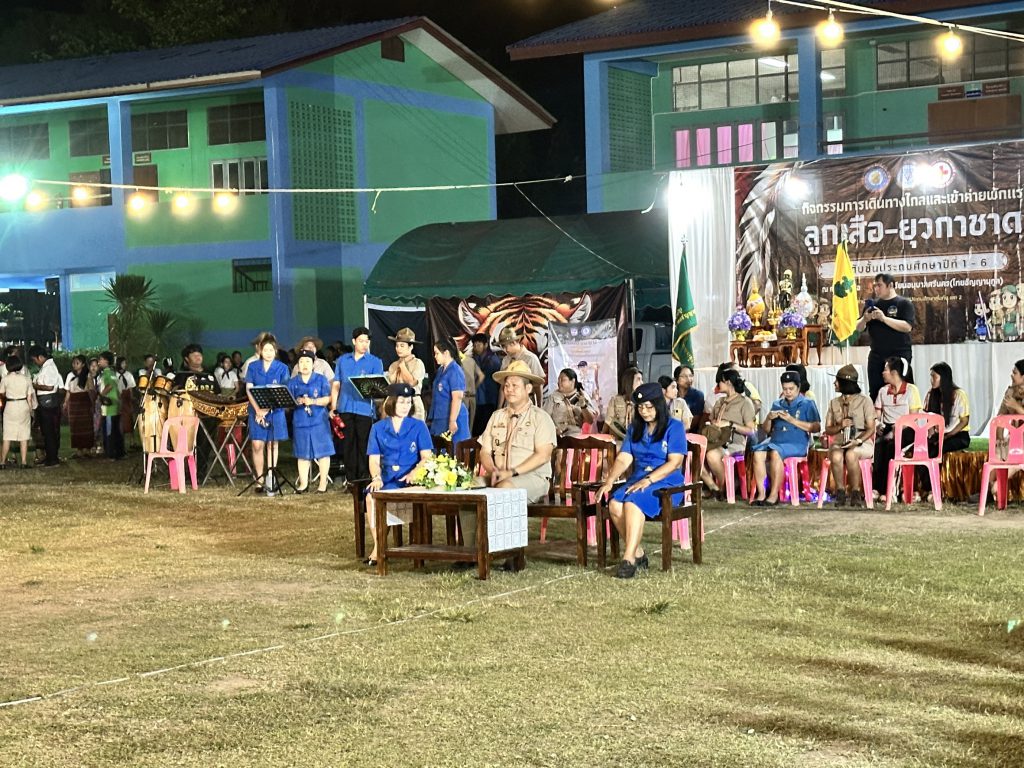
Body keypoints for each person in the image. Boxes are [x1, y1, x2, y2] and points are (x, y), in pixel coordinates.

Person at [596, 382, 687, 579]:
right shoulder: (635, 428)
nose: (644, 412)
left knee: (632, 502)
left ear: (659, 405)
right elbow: (624, 458)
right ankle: (638, 553)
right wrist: (609, 480)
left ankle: (628, 559)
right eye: (640, 407)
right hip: (638, 480)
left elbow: (675, 462)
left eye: (649, 407)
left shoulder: (674, 427)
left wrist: (649, 480)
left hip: (667, 483)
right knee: (614, 504)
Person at [477, 361, 558, 551]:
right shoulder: (496, 416)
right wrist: (493, 470)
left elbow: (543, 455)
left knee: (504, 489)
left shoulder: (540, 417)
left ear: (528, 389)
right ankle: (473, 551)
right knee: (470, 490)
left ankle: (508, 552)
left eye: (515, 385)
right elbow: (484, 451)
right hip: (499, 475)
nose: (509, 389)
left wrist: (511, 473)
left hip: (533, 478)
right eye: (506, 385)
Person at [364, 382, 434, 565]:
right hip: (388, 479)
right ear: (391, 402)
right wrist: (376, 477)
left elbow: (427, 457)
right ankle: (380, 545)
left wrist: (415, 472)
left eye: (408, 402)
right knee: (371, 497)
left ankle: (378, 551)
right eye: (401, 402)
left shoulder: (418, 426)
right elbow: (374, 459)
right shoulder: (378, 428)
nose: (405, 406)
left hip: (411, 479)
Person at [751, 371, 821, 506]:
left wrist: (791, 420)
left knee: (775, 452)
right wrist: (769, 418)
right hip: (775, 440)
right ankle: (761, 494)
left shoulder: (807, 403)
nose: (788, 392)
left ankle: (773, 495)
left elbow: (816, 427)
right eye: (785, 389)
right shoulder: (777, 404)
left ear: (798, 388)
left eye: (791, 389)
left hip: (796, 442)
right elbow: (766, 430)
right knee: (758, 453)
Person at [331, 326, 384, 483]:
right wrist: (333, 406)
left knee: (364, 443)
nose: (364, 344)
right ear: (354, 341)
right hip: (345, 406)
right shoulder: (342, 361)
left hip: (364, 409)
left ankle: (364, 477)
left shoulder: (375, 362)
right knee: (348, 444)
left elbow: (379, 387)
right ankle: (350, 479)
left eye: (367, 341)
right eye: (361, 341)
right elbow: (336, 384)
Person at [915, 362, 970, 503]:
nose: (931, 380)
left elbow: (964, 421)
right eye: (931, 376)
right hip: (939, 435)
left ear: (944, 378)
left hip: (957, 435)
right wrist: (931, 434)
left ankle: (934, 489)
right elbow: (928, 418)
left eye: (934, 377)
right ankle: (925, 488)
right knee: (921, 449)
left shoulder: (959, 395)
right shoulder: (931, 395)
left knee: (937, 450)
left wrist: (948, 435)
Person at [822, 365, 876, 507]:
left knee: (851, 454)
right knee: (836, 455)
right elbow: (828, 429)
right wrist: (840, 426)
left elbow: (871, 428)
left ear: (845, 383)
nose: (835, 383)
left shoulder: (865, 401)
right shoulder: (834, 403)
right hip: (840, 441)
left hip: (862, 441)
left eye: (837, 381)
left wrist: (858, 441)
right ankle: (840, 492)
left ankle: (855, 492)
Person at [856, 272, 916, 401]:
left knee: (901, 391)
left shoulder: (904, 303)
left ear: (890, 285)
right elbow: (859, 328)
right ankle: (877, 413)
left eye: (879, 285)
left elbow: (907, 326)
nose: (876, 289)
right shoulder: (872, 305)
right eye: (875, 286)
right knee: (875, 392)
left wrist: (884, 319)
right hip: (877, 355)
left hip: (899, 354)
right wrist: (865, 319)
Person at [872, 356, 923, 501]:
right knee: (878, 446)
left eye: (885, 370)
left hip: (908, 429)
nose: (882, 373)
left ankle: (890, 491)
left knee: (892, 447)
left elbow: (914, 417)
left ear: (894, 373)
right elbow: (876, 415)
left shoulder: (911, 390)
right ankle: (878, 488)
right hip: (888, 428)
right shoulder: (883, 391)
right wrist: (877, 424)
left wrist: (899, 427)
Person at [700, 368, 756, 494]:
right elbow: (711, 420)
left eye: (720, 382)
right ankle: (713, 486)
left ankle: (724, 487)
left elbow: (751, 431)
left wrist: (730, 424)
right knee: (694, 454)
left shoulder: (744, 402)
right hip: (716, 440)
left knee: (712, 455)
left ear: (728, 382)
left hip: (733, 443)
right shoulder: (720, 401)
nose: (718, 385)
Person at [245, 334, 290, 494]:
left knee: (272, 444)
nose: (269, 353)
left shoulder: (282, 368)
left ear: (275, 351)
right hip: (256, 411)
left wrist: (266, 409)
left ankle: (271, 477)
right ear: (260, 350)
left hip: (275, 411)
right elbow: (249, 389)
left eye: (271, 350)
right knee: (257, 445)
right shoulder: (253, 367)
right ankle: (259, 479)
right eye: (266, 350)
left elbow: (284, 390)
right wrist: (258, 410)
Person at [288, 349, 334, 494]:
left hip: (319, 420)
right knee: (302, 453)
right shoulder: (293, 382)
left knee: (323, 452)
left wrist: (313, 401)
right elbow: (288, 403)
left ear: (313, 364)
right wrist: (297, 401)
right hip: (300, 421)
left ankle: (322, 484)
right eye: (301, 362)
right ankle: (303, 484)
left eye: (308, 361)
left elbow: (328, 398)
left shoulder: (321, 379)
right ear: (297, 365)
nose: (304, 365)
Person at [427, 336, 471, 452]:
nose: (435, 356)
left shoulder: (455, 371)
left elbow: (457, 398)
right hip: (440, 417)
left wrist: (452, 421)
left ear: (446, 353)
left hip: (453, 417)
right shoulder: (441, 370)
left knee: (453, 452)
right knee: (438, 450)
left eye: (437, 353)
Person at [29, 345, 64, 467]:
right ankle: (50, 457)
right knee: (47, 431)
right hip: (47, 402)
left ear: (40, 357)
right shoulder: (46, 367)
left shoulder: (49, 368)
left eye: (34, 360)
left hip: (48, 402)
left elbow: (50, 387)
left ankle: (52, 459)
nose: (35, 362)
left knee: (49, 431)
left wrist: (35, 385)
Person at [0, 356, 35, 468]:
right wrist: (31, 410)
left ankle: (2, 462)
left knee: (7, 435)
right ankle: (24, 462)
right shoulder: (26, 379)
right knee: (24, 435)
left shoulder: (5, 379)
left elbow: (2, 393)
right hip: (23, 405)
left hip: (10, 406)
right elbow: (29, 397)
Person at [384, 328, 426, 421]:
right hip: (395, 404)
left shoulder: (417, 363)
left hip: (413, 404)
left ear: (411, 347)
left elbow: (412, 383)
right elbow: (389, 385)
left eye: (402, 346)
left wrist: (402, 366)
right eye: (397, 346)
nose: (398, 349)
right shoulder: (393, 365)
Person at [497, 326, 544, 407]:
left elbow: (538, 385)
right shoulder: (506, 360)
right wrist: (499, 408)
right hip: (509, 404)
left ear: (514, 342)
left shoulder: (530, 358)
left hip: (526, 403)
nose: (505, 349)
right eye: (503, 346)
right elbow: (503, 386)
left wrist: (540, 407)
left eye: (505, 346)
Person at [544, 368, 595, 438]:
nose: (559, 382)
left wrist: (583, 406)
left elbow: (590, 420)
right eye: (558, 380)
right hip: (557, 436)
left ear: (573, 381)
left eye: (563, 380)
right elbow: (545, 418)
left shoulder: (582, 395)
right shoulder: (553, 397)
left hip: (576, 436)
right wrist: (554, 429)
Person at [96, 351, 125, 460]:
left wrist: (101, 395)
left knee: (109, 431)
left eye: (100, 359)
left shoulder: (107, 373)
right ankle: (119, 452)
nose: (99, 362)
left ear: (106, 361)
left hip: (108, 406)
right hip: (115, 404)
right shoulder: (113, 373)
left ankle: (111, 453)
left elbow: (109, 386)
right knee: (116, 430)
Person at [64, 354, 94, 458]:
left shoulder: (87, 375)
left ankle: (87, 449)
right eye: (73, 363)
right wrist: (65, 403)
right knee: (75, 426)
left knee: (85, 425)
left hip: (84, 401)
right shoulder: (70, 375)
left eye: (77, 363)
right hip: (74, 402)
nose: (75, 365)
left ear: (83, 364)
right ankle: (79, 450)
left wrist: (92, 403)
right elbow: (68, 391)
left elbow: (91, 389)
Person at [470, 333, 500, 435]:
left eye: (479, 345)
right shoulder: (474, 359)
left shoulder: (494, 360)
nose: (476, 347)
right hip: (478, 400)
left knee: (486, 429)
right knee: (476, 429)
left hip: (490, 399)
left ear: (486, 345)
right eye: (474, 345)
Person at [604, 366, 642, 442]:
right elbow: (608, 422)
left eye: (641, 379)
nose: (642, 382)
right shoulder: (615, 400)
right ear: (629, 381)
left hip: (636, 441)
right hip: (618, 441)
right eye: (638, 379)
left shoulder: (642, 402)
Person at [674, 364, 705, 432]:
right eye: (684, 376)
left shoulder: (697, 395)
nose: (688, 379)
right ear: (676, 380)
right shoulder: (672, 394)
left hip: (689, 432)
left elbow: (694, 421)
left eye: (690, 376)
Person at [116, 356, 136, 451]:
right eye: (123, 363)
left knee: (130, 420)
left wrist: (131, 398)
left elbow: (131, 387)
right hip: (119, 398)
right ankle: (122, 442)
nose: (125, 365)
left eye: (125, 363)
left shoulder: (128, 375)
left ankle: (132, 441)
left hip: (127, 398)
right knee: (121, 420)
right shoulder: (115, 375)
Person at [461, 343, 483, 430]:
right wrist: (475, 387)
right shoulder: (471, 360)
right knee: (470, 426)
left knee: (462, 425)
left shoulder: (455, 362)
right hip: (472, 396)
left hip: (462, 396)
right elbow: (481, 376)